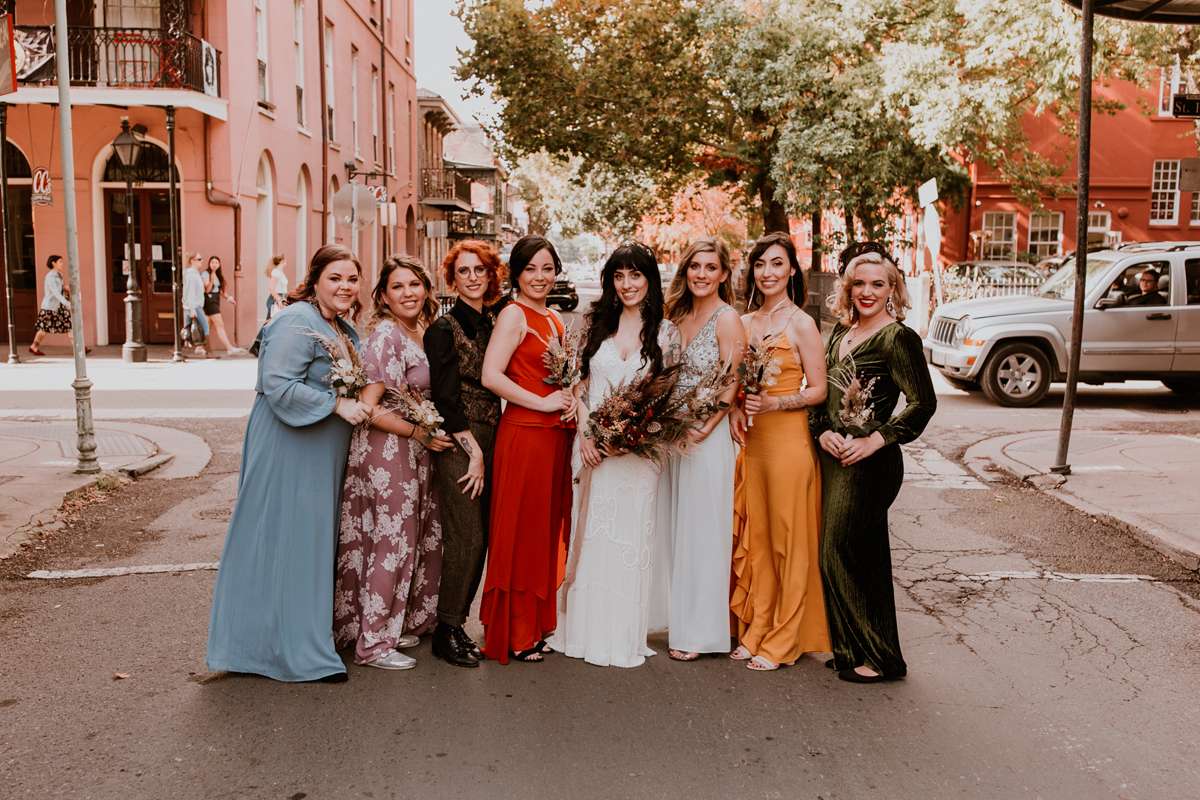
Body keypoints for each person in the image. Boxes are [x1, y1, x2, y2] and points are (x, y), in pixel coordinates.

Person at [207, 244, 370, 683]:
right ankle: (293, 652)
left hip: (320, 449)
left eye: (352, 279)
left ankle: (288, 641)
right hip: (289, 445)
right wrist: (336, 405)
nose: (345, 286)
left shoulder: (335, 323)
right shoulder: (296, 320)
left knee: (307, 544)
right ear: (315, 280)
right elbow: (277, 384)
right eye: (335, 277)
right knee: (286, 542)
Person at [548, 243, 680, 668]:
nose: (627, 284)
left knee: (630, 539)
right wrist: (587, 435)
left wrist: (631, 438)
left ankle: (622, 634)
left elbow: (666, 400)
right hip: (592, 449)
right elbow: (578, 387)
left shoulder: (666, 334)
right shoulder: (595, 325)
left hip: (639, 455)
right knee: (592, 535)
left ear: (650, 279)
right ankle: (584, 630)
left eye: (635, 275)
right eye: (619, 276)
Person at [811, 246, 937, 684]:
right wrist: (820, 432)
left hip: (870, 462)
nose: (867, 292)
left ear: (892, 290)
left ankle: (882, 658)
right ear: (848, 288)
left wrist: (876, 439)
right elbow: (823, 396)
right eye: (859, 284)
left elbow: (923, 403)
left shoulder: (897, 338)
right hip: (834, 457)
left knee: (837, 552)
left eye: (877, 285)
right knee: (858, 554)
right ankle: (851, 650)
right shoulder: (839, 333)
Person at [334, 256, 453, 671]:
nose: (408, 293)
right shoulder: (386, 335)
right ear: (383, 296)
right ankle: (372, 644)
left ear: (426, 289)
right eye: (397, 286)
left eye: (414, 284)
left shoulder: (420, 330)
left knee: (412, 539)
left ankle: (389, 622)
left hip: (414, 451)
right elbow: (369, 407)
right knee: (391, 543)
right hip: (388, 450)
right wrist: (418, 432)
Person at [728, 232, 830, 672]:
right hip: (753, 445)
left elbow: (819, 390)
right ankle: (757, 628)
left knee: (789, 542)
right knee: (759, 539)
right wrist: (737, 408)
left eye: (776, 263)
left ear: (791, 270)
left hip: (789, 442)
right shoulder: (744, 322)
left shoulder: (802, 324)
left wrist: (776, 403)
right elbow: (735, 384)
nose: (767, 272)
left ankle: (785, 639)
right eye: (760, 264)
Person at [479, 235, 577, 664]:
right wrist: (542, 403)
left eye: (547, 268)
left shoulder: (553, 318)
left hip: (554, 437)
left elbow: (561, 377)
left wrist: (569, 398)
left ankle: (536, 625)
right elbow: (491, 376)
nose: (540, 277)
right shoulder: (513, 316)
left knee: (543, 532)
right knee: (521, 533)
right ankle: (516, 631)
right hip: (524, 435)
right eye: (530, 269)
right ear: (516, 274)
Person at [655, 238, 745, 662]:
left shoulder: (728, 319)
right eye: (695, 266)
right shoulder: (676, 315)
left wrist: (705, 427)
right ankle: (677, 617)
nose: (702, 274)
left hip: (706, 439)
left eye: (711, 267)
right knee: (676, 529)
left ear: (723, 274)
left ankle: (701, 632)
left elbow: (732, 381)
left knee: (704, 533)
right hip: (672, 435)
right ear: (685, 270)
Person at [423, 240, 505, 668]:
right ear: (452, 280)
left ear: (491, 276)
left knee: (483, 536)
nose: (472, 277)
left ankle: (457, 625)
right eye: (463, 271)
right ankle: (446, 629)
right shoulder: (443, 328)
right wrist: (472, 452)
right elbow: (446, 398)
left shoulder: (494, 322)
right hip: (460, 440)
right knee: (466, 535)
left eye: (479, 270)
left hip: (495, 435)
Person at [29, 255, 87, 356]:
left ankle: (79, 348)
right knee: (43, 329)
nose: (62, 264)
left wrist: (65, 288)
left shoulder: (58, 275)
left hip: (59, 306)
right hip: (49, 307)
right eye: (60, 262)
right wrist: (67, 303)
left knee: (70, 325)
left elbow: (59, 288)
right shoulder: (51, 277)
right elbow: (55, 293)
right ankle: (34, 346)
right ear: (53, 263)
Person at [203, 255, 246, 355]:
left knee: (207, 326)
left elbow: (220, 291)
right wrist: (212, 278)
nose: (214, 264)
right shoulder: (206, 274)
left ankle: (201, 347)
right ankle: (229, 348)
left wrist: (228, 298)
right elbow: (207, 290)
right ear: (209, 264)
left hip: (215, 300)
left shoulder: (218, 275)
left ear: (219, 264)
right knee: (220, 325)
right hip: (209, 300)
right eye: (212, 262)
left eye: (216, 262)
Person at [182, 253, 210, 357]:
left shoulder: (195, 273)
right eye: (199, 259)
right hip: (194, 306)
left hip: (193, 305)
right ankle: (200, 348)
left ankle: (189, 348)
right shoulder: (191, 275)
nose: (201, 261)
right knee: (204, 327)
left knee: (189, 328)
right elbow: (190, 292)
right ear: (192, 261)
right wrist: (192, 309)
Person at [265, 255, 289, 320]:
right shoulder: (276, 272)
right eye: (284, 260)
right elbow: (271, 288)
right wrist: (279, 300)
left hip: (281, 297)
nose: (286, 261)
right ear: (281, 261)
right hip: (276, 299)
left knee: (276, 321)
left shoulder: (280, 272)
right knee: (271, 321)